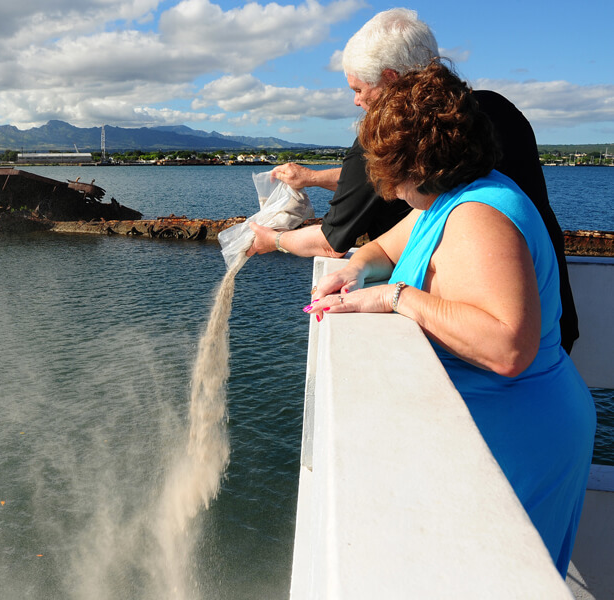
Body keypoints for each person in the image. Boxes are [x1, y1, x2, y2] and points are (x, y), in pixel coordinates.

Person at [304, 62, 595, 577]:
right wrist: (353, 266)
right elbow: (385, 249)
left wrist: (398, 298)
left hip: (521, 436)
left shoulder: (479, 216)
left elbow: (508, 346)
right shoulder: (446, 198)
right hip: (500, 429)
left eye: (383, 167)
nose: (384, 188)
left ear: (411, 163)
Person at [245, 7, 579, 353]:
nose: (357, 101)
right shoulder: (495, 114)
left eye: (359, 89)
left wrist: (277, 241)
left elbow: (333, 242)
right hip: (556, 321)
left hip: (491, 348)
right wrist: (313, 179)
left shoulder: (476, 211)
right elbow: (381, 220)